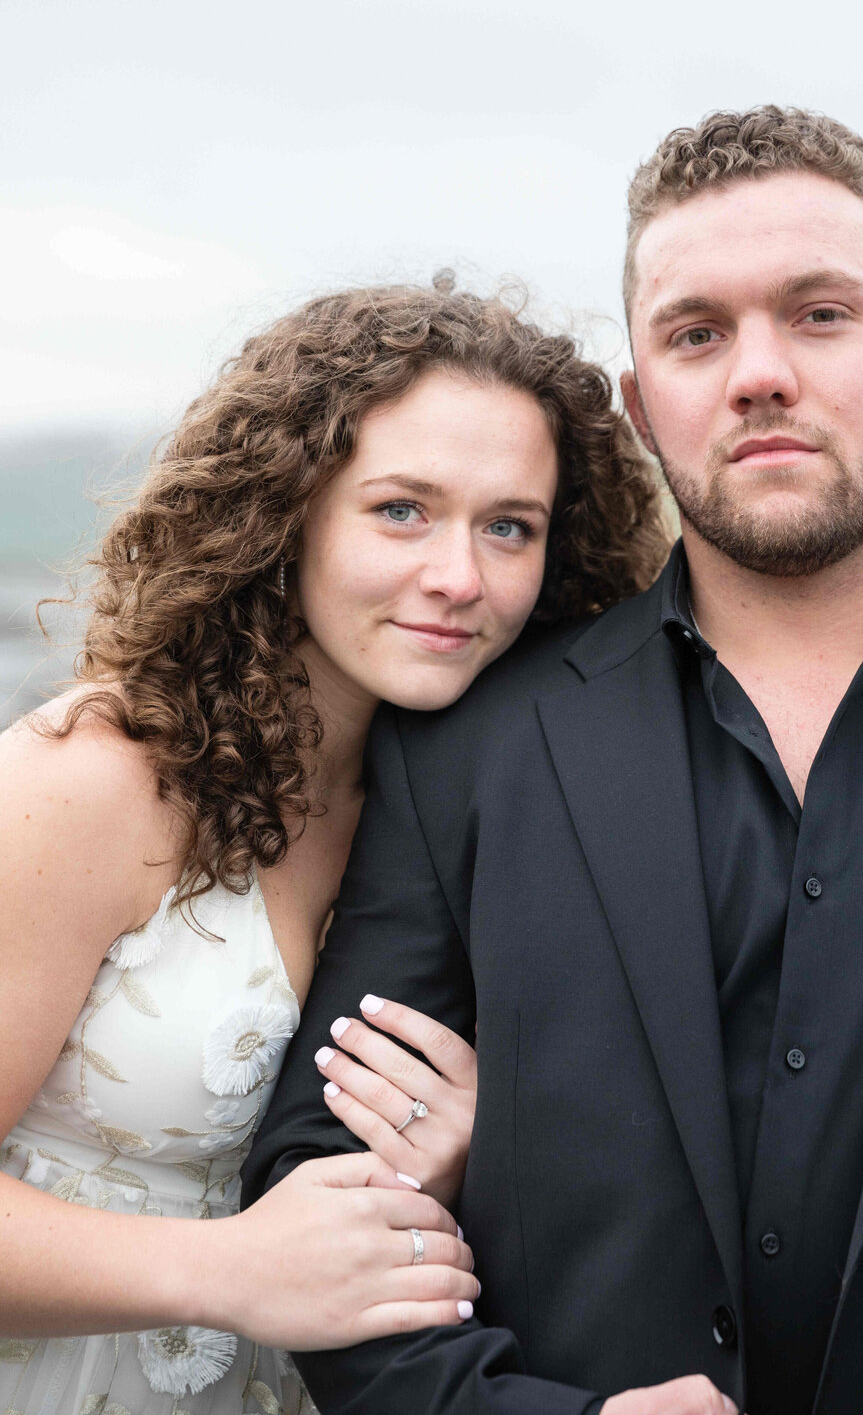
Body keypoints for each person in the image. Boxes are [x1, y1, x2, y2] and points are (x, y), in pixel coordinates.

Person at [247, 107, 863, 1415]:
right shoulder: (469, 745)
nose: (758, 372)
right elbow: (317, 1183)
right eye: (698, 333)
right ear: (643, 404)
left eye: (819, 314)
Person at [0, 281, 668, 1415]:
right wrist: (229, 1271)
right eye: (402, 510)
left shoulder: (488, 818)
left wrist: (475, 1162)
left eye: (510, 525)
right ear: (284, 513)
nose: (461, 578)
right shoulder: (93, 780)